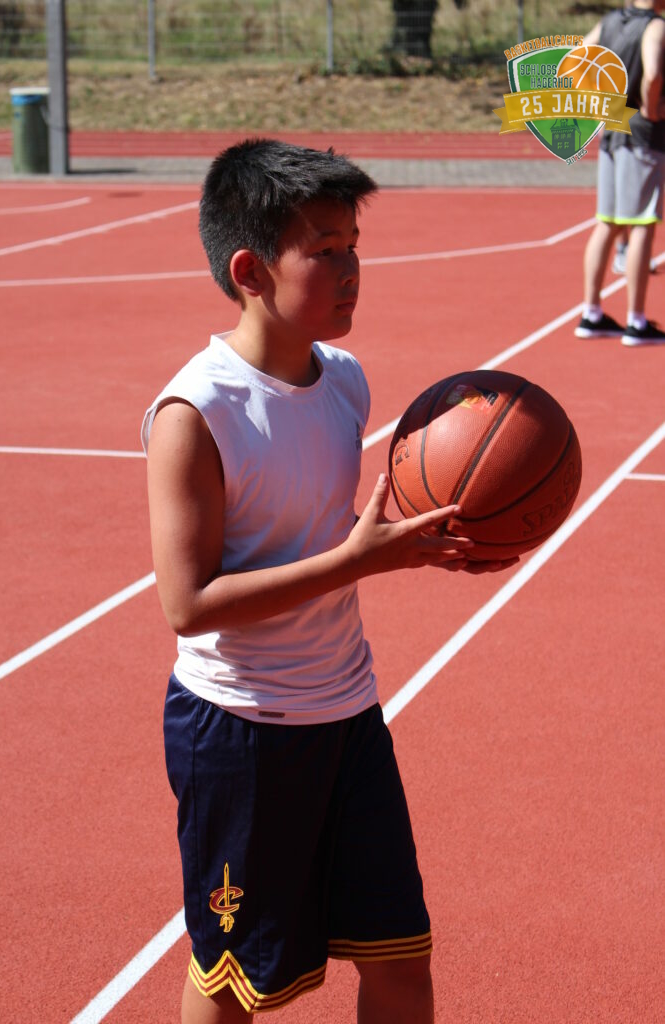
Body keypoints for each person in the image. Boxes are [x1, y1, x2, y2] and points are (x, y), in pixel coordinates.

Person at [142, 138, 515, 1024]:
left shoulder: (344, 381)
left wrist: (425, 538)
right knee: (231, 979)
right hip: (241, 733)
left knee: (401, 960)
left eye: (354, 246)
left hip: (346, 713)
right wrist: (357, 560)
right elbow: (187, 605)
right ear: (250, 271)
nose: (350, 270)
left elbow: (329, 532)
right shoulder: (197, 414)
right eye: (324, 249)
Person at [574, 0, 665, 345]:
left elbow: (576, 59)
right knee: (642, 223)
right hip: (642, 134)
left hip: (612, 128)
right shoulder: (655, 27)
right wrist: (651, 108)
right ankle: (636, 321)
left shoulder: (610, 21)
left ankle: (591, 313)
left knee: (607, 222)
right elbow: (653, 73)